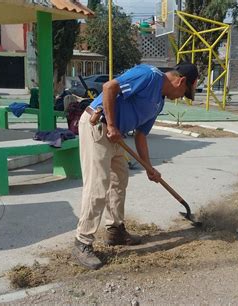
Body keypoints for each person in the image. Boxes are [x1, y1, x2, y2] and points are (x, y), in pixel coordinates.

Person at [72, 62, 199, 270]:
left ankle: (115, 231)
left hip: (115, 135)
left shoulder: (159, 102)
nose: (182, 98)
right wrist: (112, 126)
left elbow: (141, 135)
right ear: (181, 81)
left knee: (119, 179)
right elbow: (109, 88)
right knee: (98, 185)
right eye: (185, 93)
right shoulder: (149, 76)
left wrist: (149, 167)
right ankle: (82, 242)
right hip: (99, 124)